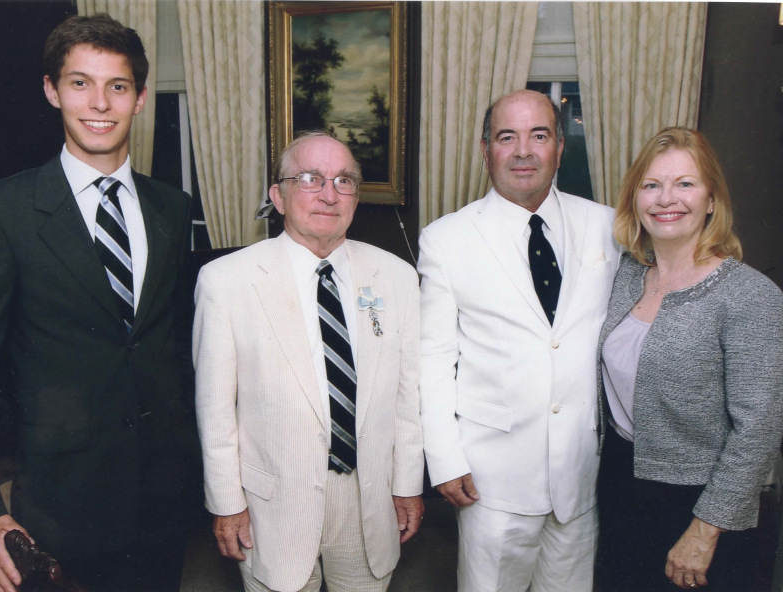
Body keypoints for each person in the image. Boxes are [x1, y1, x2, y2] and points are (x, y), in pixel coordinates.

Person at [0, 14, 197, 592]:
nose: (99, 102)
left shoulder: (172, 210)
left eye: (118, 86)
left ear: (141, 98)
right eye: (80, 83)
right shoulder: (2, 212)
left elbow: (174, 350)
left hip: (162, 502)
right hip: (56, 509)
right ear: (52, 91)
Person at [193, 132, 424, 592]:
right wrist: (225, 502)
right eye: (310, 178)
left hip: (369, 504)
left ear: (357, 198)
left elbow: (408, 396)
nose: (328, 193)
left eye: (344, 180)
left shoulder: (397, 277)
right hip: (272, 507)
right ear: (278, 196)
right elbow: (215, 408)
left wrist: (407, 483)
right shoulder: (227, 281)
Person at [418, 89, 621, 591]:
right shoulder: (446, 240)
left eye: (539, 135)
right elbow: (433, 359)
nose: (524, 150)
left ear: (559, 148)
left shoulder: (608, 226)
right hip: (491, 479)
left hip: (581, 473)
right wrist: (444, 458)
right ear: (486, 149)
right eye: (508, 137)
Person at [596, 127, 783, 591]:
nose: (666, 199)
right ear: (635, 199)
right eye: (652, 185)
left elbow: (759, 429)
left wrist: (706, 527)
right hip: (620, 483)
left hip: (699, 505)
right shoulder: (626, 275)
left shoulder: (749, 296)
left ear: (712, 200)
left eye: (685, 184)